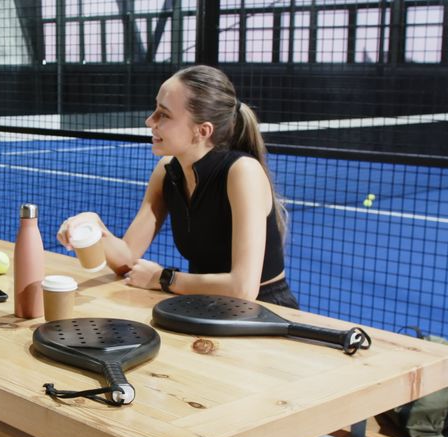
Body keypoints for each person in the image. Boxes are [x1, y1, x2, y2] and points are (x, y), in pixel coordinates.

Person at [57, 65, 298, 308]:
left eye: (164, 114)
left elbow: (243, 288)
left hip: (266, 311)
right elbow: (127, 258)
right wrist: (97, 229)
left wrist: (163, 278)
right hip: (205, 305)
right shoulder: (167, 170)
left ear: (202, 131)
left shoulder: (242, 171)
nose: (150, 121)